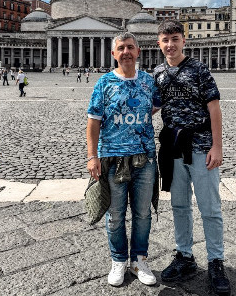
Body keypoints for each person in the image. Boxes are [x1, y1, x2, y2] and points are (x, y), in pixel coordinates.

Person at [153, 20, 230, 296]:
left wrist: (217, 146)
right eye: (165, 40)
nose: (170, 44)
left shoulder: (199, 69)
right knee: (179, 205)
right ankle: (184, 256)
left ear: (183, 40)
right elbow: (153, 106)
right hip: (173, 148)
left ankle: (216, 262)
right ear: (159, 43)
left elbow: (214, 107)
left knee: (210, 208)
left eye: (175, 38)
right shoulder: (158, 72)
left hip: (201, 146)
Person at [86, 32, 160, 287]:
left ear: (138, 52)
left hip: (145, 157)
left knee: (142, 214)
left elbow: (155, 106)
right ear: (114, 54)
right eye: (121, 48)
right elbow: (93, 121)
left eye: (130, 47)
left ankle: (138, 260)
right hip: (112, 158)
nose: (126, 52)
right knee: (115, 215)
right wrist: (92, 156)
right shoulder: (103, 83)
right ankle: (118, 260)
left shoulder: (149, 82)